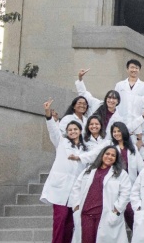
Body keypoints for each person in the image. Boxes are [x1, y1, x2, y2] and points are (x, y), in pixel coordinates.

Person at [42, 99, 89, 243]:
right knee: (60, 221)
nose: (73, 132)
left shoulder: (85, 149)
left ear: (80, 131)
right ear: (67, 132)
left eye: (76, 129)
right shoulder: (61, 142)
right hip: (60, 190)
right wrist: (48, 113)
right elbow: (53, 130)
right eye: (70, 130)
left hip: (75, 192)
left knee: (70, 224)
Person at [67, 146, 130, 243]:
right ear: (102, 155)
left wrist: (116, 211)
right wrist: (76, 206)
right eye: (107, 154)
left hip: (105, 215)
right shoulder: (89, 170)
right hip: (86, 214)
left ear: (116, 159)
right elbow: (76, 188)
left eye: (113, 155)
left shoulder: (121, 174)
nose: (109, 157)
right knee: (86, 240)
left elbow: (125, 194)